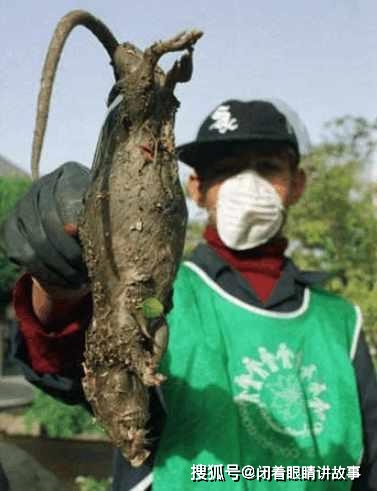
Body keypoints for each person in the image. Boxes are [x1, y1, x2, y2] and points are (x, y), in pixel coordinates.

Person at [3, 98, 377, 490]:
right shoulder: (158, 297)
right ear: (195, 189)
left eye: (267, 167)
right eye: (225, 170)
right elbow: (70, 366)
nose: (246, 185)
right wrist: (59, 287)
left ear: (297, 183)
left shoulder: (339, 321)